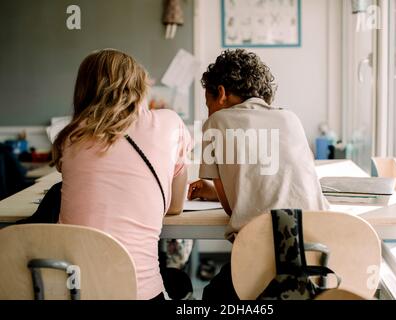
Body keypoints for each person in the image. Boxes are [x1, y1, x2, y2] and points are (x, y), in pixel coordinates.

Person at [187, 49, 329, 300]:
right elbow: (271, 179)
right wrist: (213, 191)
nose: (208, 111)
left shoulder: (216, 123)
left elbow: (232, 208)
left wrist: (217, 191)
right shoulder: (290, 118)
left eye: (207, 102)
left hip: (264, 257)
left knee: (210, 297)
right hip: (315, 256)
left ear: (220, 93)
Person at [53, 49, 192, 300]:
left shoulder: (70, 138)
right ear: (139, 86)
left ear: (84, 90)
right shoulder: (170, 123)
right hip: (141, 293)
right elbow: (174, 207)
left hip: (74, 292)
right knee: (180, 281)